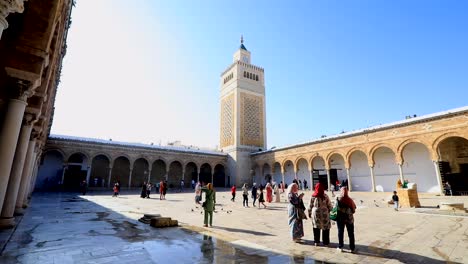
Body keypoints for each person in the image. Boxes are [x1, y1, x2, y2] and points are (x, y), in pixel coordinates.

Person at [336, 187, 357, 253]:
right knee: (351, 233)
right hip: (349, 218)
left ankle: (340, 246)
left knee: (340, 232)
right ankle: (352, 248)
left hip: (340, 219)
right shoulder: (350, 200)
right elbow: (354, 209)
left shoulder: (338, 199)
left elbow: (334, 208)